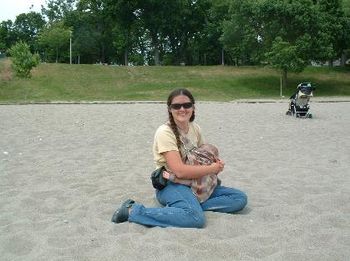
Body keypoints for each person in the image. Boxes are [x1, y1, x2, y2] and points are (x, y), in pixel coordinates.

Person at [111, 88, 247, 228]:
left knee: (239, 198)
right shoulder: (165, 132)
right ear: (170, 109)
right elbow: (179, 171)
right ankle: (132, 210)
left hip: (197, 183)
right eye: (176, 106)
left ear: (193, 108)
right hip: (171, 185)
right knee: (196, 219)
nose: (182, 109)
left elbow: (203, 157)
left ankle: (187, 207)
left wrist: (216, 165)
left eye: (187, 105)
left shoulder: (195, 128)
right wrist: (211, 169)